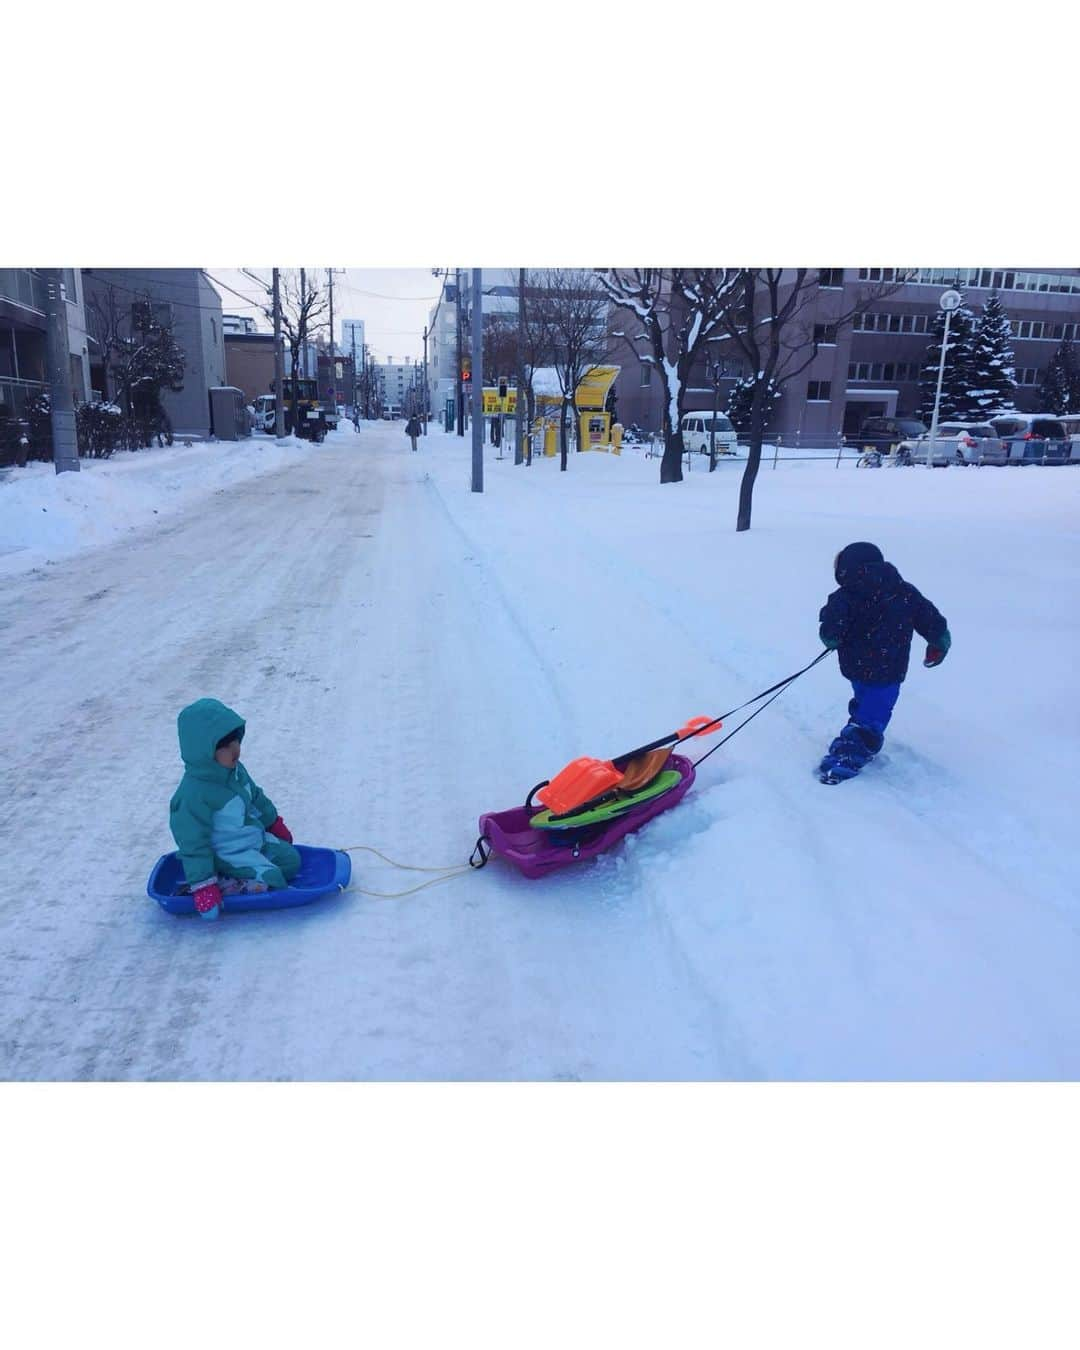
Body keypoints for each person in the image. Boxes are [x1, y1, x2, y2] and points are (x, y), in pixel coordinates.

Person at [817, 541, 950, 784]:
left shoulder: (845, 596)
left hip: (858, 666)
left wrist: (831, 637)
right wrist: (939, 641)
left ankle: (851, 753)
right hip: (889, 669)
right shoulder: (904, 592)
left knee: (872, 712)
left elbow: (830, 632)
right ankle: (859, 731)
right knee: (870, 705)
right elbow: (931, 620)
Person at [169, 698, 300, 920]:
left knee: (292, 861)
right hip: (227, 854)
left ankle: (245, 871)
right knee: (274, 879)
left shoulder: (235, 771)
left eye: (236, 741)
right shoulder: (193, 794)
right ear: (204, 751)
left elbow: (255, 797)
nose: (235, 749)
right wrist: (203, 886)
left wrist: (273, 823)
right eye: (225, 745)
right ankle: (220, 883)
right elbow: (193, 843)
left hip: (252, 840)